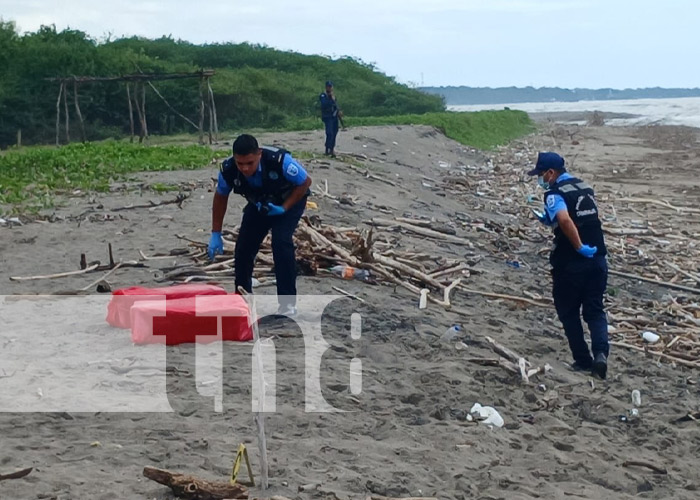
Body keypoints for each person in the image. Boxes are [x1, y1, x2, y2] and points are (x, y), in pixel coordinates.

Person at [208, 134, 312, 316]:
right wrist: (215, 233)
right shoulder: (228, 170)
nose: (245, 168)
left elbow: (305, 182)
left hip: (289, 201)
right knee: (243, 248)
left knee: (281, 242)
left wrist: (284, 207)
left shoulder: (279, 161)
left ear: (259, 155)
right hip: (259, 204)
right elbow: (221, 197)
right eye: (240, 164)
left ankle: (287, 304)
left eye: (250, 163)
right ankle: (242, 299)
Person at [529, 152, 609, 379]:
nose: (541, 179)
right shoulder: (584, 187)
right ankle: (601, 355)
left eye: (542, 174)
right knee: (595, 310)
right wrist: (548, 219)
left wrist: (578, 246)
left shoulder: (554, 194)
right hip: (598, 259)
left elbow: (565, 219)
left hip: (571, 263)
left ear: (551, 173)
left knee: (569, 311)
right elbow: (585, 218)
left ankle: (583, 360)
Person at [319, 80, 342, 156]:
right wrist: (330, 98)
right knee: (329, 133)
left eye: (331, 86)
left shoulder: (333, 96)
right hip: (327, 117)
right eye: (328, 86)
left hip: (334, 117)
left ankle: (332, 149)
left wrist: (339, 111)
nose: (329, 88)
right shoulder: (323, 95)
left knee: (335, 132)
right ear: (326, 87)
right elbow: (324, 104)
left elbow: (336, 105)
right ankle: (327, 149)